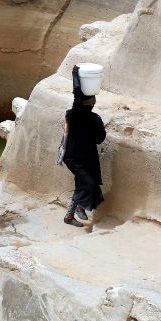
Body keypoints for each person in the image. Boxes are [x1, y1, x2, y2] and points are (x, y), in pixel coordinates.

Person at [58, 65, 107, 227]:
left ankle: (72, 213)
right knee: (88, 183)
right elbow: (77, 94)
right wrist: (75, 75)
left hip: (86, 156)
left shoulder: (87, 118)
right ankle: (77, 209)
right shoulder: (78, 116)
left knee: (84, 183)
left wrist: (76, 74)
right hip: (73, 157)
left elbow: (100, 138)